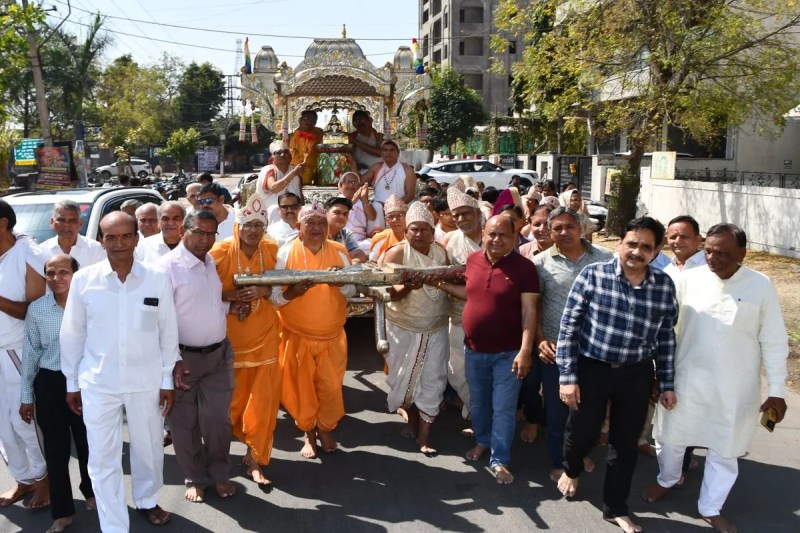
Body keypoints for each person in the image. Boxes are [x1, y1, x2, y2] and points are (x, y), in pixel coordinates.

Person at [644, 223, 789, 533]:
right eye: (708, 251)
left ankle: (710, 507)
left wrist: (777, 390)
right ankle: (667, 479)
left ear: (742, 254)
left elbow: (774, 340)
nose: (712, 258)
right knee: (670, 439)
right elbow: (667, 333)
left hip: (734, 388)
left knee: (726, 448)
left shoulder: (760, 286)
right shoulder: (687, 280)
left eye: (722, 253)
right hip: (686, 381)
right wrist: (659, 376)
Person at [555, 217, 678, 533]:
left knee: (625, 444)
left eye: (646, 247)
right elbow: (569, 328)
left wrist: (667, 383)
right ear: (620, 243)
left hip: (635, 374)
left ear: (657, 251)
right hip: (592, 369)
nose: (637, 251)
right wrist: (567, 377)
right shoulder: (593, 275)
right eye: (631, 243)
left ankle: (615, 508)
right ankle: (572, 468)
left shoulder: (663, 286)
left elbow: (665, 338)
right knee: (581, 432)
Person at [60, 211, 179, 529]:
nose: (119, 243)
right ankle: (113, 525)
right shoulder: (84, 280)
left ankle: (147, 499)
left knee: (149, 449)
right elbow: (72, 334)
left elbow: (168, 331)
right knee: (102, 457)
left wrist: (167, 379)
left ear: (137, 239)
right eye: (111, 237)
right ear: (101, 241)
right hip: (99, 383)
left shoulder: (156, 277)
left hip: (146, 381)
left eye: (126, 236)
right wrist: (72, 383)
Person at [437, 216, 539, 485]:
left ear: (515, 237)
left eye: (503, 235)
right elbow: (472, 294)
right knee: (479, 402)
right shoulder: (473, 261)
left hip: (508, 353)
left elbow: (530, 312)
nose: (496, 239)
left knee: (503, 408)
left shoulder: (525, 268)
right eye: (492, 234)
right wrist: (441, 285)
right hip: (474, 349)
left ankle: (499, 459)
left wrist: (525, 350)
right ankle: (483, 440)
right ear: (483, 234)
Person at [160, 210, 236, 503]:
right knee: (185, 424)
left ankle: (220, 473)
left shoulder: (210, 261)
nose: (205, 239)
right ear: (183, 231)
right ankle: (194, 478)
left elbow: (205, 303)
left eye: (210, 233)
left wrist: (230, 308)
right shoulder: (166, 268)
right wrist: (171, 360)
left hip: (218, 355)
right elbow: (159, 319)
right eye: (198, 232)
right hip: (183, 361)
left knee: (218, 420)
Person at [532, 206, 613, 480]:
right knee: (557, 411)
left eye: (570, 227)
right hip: (555, 349)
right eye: (557, 228)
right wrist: (540, 339)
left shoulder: (604, 258)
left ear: (581, 228)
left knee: (588, 410)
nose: (564, 232)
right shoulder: (540, 263)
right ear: (549, 231)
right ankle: (561, 460)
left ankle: (579, 453)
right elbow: (534, 306)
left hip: (594, 350)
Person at [269, 205, 355, 459]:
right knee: (301, 390)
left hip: (332, 337)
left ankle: (326, 429)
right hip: (296, 337)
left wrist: (340, 283)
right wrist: (292, 293)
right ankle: (308, 432)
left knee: (330, 388)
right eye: (311, 223)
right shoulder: (285, 253)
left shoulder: (339, 252)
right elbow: (274, 298)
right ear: (299, 227)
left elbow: (351, 291)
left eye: (321, 223)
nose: (317, 228)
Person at [210, 194, 282, 487]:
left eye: (258, 225)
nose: (253, 230)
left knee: (263, 404)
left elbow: (282, 286)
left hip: (266, 336)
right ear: (237, 226)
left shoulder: (272, 249)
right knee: (229, 407)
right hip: (228, 342)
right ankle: (219, 461)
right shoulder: (219, 251)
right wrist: (228, 296)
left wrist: (266, 291)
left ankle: (256, 458)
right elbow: (198, 291)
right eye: (248, 225)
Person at [19, 254, 95, 532]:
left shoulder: (90, 303)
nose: (56, 278)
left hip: (86, 383)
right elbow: (31, 353)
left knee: (89, 443)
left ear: (76, 274)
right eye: (50, 273)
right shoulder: (38, 309)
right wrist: (26, 396)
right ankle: (62, 512)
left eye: (63, 272)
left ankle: (92, 491)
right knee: (56, 449)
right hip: (50, 383)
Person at [379, 202, 449, 456]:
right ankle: (410, 417)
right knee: (403, 376)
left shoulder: (441, 253)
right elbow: (384, 294)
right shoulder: (395, 254)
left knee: (433, 379)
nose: (419, 234)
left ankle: (425, 434)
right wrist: (407, 287)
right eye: (414, 229)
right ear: (406, 232)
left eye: (424, 229)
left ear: (432, 232)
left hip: (436, 326)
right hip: (402, 326)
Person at [0, 199, 49, 510]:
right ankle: (23, 479)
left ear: (2, 224)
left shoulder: (29, 253)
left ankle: (45, 481)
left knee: (24, 422)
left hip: (17, 352)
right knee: (2, 426)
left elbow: (35, 310)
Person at [440, 185, 483, 420]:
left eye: (465, 213)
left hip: (491, 317)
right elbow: (443, 274)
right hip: (458, 315)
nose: (460, 219)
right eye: (455, 215)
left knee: (486, 371)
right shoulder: (450, 240)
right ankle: (475, 408)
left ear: (478, 213)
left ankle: (479, 415)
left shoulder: (494, 238)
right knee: (457, 371)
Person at [359, 139, 417, 230]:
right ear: (382, 153)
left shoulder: (407, 169)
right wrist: (353, 165)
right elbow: (360, 181)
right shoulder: (377, 167)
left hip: (398, 208)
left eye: (391, 150)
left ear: (398, 152)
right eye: (385, 150)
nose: (388, 152)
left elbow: (410, 195)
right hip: (378, 207)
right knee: (377, 206)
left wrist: (393, 207)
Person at [40, 200, 106, 267]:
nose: (66, 224)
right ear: (52, 222)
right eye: (61, 220)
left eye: (72, 220)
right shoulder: (42, 251)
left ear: (80, 223)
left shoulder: (96, 249)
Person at [255, 147, 306, 223]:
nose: (282, 155)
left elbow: (300, 195)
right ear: (272, 158)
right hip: (270, 216)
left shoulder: (295, 171)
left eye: (286, 152)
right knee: (274, 209)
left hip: (293, 215)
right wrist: (293, 173)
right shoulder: (269, 170)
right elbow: (273, 188)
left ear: (291, 156)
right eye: (278, 153)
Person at [337, 171, 376, 250]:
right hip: (342, 238)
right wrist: (353, 200)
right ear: (341, 186)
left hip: (361, 240)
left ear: (359, 186)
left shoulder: (362, 201)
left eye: (354, 182)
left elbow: (372, 217)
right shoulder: (336, 201)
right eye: (349, 182)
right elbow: (341, 214)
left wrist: (365, 200)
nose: (352, 185)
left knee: (376, 244)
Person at [325, 196, 368, 263]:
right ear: (326, 214)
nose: (342, 217)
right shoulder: (317, 233)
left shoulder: (345, 234)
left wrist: (350, 265)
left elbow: (359, 253)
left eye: (345, 214)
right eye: (337, 212)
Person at [289, 110, 323, 185]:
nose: (309, 122)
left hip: (312, 167)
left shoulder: (318, 132)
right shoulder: (291, 136)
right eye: (306, 119)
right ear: (300, 120)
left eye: (313, 120)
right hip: (294, 167)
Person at [368, 195, 407, 262]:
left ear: (407, 217)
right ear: (386, 220)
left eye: (400, 215)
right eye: (390, 217)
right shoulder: (380, 239)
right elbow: (373, 263)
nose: (395, 220)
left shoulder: (415, 238)